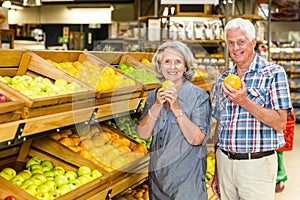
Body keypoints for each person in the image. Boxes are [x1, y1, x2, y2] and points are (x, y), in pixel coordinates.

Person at [211, 18, 293, 200]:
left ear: (253, 42)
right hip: (225, 163)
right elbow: (220, 126)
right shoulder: (223, 79)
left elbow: (280, 123)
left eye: (241, 41)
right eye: (230, 43)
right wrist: (217, 170)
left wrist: (245, 101)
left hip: (257, 165)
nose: (235, 48)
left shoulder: (273, 73)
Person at [136, 41, 212, 199]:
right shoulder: (153, 96)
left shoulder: (199, 97)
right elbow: (143, 134)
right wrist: (157, 106)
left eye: (178, 62)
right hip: (158, 183)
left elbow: (197, 138)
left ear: (185, 67)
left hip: (187, 184)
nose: (172, 67)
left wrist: (176, 108)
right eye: (167, 62)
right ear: (160, 66)